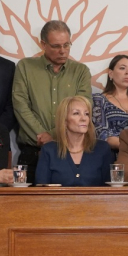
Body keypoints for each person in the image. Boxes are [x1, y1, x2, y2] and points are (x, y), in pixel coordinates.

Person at [12, 20, 92, 180]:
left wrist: (52, 135)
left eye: (67, 45)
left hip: (70, 153)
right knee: (26, 204)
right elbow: (20, 106)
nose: (63, 51)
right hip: (31, 151)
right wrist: (42, 135)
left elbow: (84, 108)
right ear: (43, 44)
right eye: (56, 46)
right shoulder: (25, 67)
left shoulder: (80, 71)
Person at [36, 96, 115, 186]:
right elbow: (41, 191)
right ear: (64, 121)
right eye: (76, 113)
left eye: (86, 114)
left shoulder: (102, 149)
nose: (83, 118)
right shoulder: (49, 150)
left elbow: (110, 191)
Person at [92, 55, 128, 150]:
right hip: (111, 157)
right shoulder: (99, 99)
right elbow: (102, 134)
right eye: (122, 68)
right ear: (111, 73)